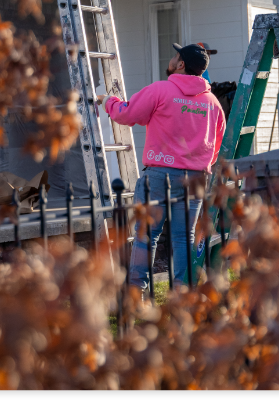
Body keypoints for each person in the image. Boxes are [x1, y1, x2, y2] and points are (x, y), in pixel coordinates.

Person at [96, 43, 226, 293]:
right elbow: (215, 147)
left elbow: (127, 114)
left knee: (146, 234)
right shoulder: (213, 104)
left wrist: (108, 101)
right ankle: (182, 296)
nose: (171, 57)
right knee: (183, 237)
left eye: (175, 55)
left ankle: (136, 293)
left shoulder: (161, 90)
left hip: (159, 175)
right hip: (196, 178)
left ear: (181, 65)